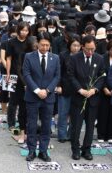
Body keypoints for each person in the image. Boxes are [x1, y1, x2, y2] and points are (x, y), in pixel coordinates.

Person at [23, 32, 60, 162]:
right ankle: (31, 150)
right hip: (33, 96)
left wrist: (48, 90)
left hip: (48, 97)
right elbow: (26, 74)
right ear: (37, 43)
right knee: (32, 125)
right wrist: (37, 90)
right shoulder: (29, 56)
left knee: (46, 125)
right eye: (42, 45)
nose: (45, 48)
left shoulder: (55, 58)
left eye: (47, 45)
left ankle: (43, 151)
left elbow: (57, 76)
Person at [67, 35, 105, 161]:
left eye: (92, 49)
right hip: (78, 97)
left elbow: (102, 76)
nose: (90, 52)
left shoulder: (99, 58)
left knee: (90, 126)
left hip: (93, 98)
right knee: (76, 126)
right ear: (82, 46)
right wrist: (80, 90)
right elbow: (71, 76)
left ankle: (87, 149)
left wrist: (94, 90)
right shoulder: (74, 58)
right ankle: (76, 149)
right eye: (88, 49)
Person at [57, 34, 82, 143]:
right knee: (63, 113)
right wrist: (58, 86)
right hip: (64, 88)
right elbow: (58, 72)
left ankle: (71, 135)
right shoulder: (63, 55)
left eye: (78, 45)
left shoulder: (82, 56)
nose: (76, 48)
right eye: (74, 45)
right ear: (69, 45)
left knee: (75, 115)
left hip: (78, 90)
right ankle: (62, 135)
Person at [97, 38, 112, 143]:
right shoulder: (102, 58)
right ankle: (101, 135)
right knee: (103, 113)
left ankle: (111, 135)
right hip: (103, 90)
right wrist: (105, 88)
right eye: (111, 50)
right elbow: (100, 75)